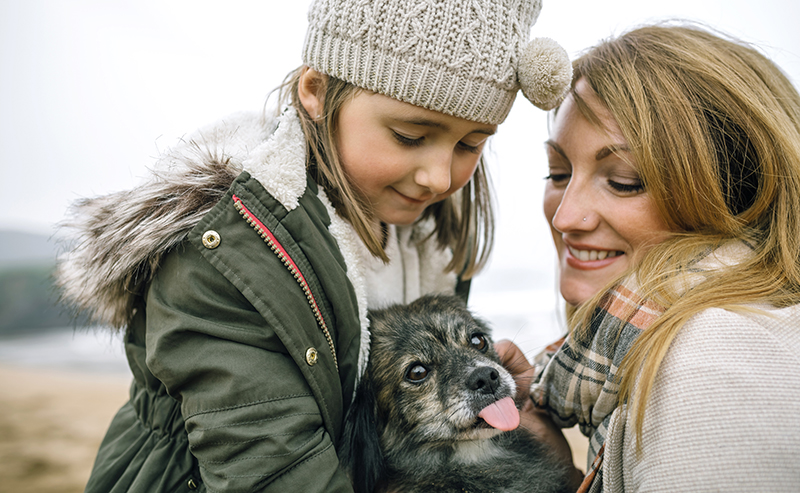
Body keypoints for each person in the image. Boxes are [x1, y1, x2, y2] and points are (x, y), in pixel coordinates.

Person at [55, 0, 571, 491]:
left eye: (470, 144)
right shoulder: (227, 256)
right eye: (410, 137)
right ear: (317, 91)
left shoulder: (425, 233)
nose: (439, 178)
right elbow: (274, 472)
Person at [511, 23, 800, 492]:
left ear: (736, 196)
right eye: (558, 173)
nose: (565, 218)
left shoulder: (711, 363)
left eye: (623, 180)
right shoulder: (646, 344)